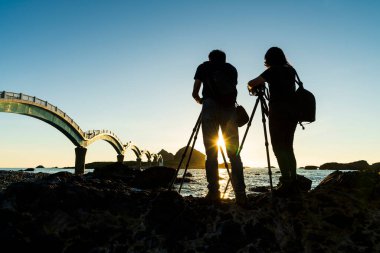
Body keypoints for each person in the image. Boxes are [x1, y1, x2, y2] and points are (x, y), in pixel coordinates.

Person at [192, 49, 247, 205]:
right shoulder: (231, 69)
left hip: (209, 107)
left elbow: (195, 92)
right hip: (229, 110)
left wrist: (201, 101)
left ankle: (214, 192)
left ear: (210, 58)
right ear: (224, 58)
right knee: (234, 154)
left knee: (211, 153)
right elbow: (231, 90)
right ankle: (241, 194)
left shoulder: (203, 67)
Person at [247, 47, 298, 196]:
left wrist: (252, 87)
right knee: (288, 147)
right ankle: (293, 180)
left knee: (277, 147)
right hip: (293, 113)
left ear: (268, 59)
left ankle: (286, 183)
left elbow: (252, 83)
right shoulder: (291, 70)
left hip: (278, 112)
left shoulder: (272, 71)